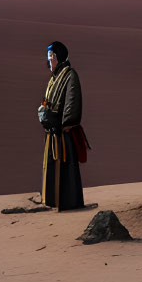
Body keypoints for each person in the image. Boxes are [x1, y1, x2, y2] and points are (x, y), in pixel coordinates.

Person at [37, 40, 89, 210]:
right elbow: (48, 101)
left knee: (65, 167)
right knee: (52, 166)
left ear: (58, 57)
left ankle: (68, 203)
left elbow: (72, 104)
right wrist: (44, 113)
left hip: (63, 133)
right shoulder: (54, 78)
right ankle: (51, 200)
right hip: (52, 131)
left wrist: (63, 123)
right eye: (48, 57)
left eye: (51, 57)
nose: (48, 61)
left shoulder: (70, 75)